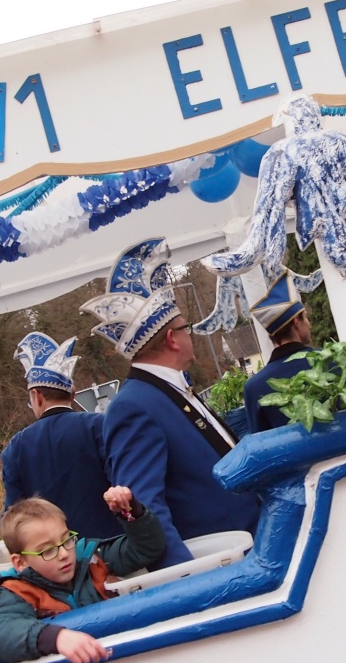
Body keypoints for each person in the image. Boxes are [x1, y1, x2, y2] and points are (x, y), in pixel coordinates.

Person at [81, 238, 260, 568]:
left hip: (246, 549)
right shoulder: (133, 407)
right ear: (171, 339)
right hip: (224, 564)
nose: (190, 335)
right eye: (186, 328)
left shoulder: (166, 391)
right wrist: (188, 580)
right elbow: (147, 509)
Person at [0, 487, 165, 663]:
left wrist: (131, 511)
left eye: (66, 540)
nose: (64, 554)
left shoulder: (90, 557)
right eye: (48, 550)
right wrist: (55, 637)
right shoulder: (13, 592)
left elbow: (146, 549)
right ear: (20, 562)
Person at [1, 332, 121, 538]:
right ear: (73, 395)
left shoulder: (16, 449)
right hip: (115, 548)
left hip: (56, 558)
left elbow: (14, 517)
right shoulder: (99, 426)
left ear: (37, 397)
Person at [242, 273, 315, 433]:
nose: (309, 324)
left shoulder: (254, 388)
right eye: (306, 318)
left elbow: (262, 445)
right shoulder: (328, 361)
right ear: (296, 321)